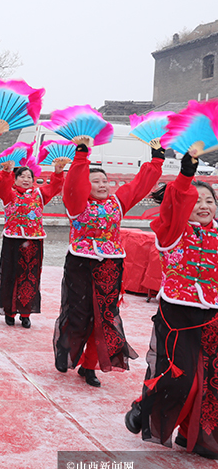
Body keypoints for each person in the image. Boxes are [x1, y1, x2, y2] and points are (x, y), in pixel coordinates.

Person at [125, 153, 218, 459]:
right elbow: (174, 205)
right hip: (178, 312)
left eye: (210, 201)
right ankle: (145, 406)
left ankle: (198, 436)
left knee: (210, 379)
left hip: (213, 314)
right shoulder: (173, 232)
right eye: (196, 200)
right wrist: (185, 176)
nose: (204, 206)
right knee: (180, 376)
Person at [53, 138, 163, 387]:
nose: (102, 185)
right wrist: (81, 156)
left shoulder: (117, 203)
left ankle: (90, 365)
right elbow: (72, 186)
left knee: (104, 317)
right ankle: (68, 352)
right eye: (95, 181)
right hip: (80, 264)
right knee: (79, 314)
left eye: (105, 181)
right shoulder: (77, 204)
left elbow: (139, 185)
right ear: (86, 185)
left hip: (110, 266)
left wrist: (156, 160)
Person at [0, 161, 66, 328]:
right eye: (22, 176)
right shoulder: (9, 193)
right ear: (15, 179)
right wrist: (6, 172)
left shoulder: (39, 194)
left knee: (30, 277)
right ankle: (10, 312)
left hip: (33, 241)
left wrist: (58, 172)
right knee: (11, 276)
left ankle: (26, 313)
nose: (26, 179)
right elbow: (0, 186)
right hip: (13, 240)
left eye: (29, 177)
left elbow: (55, 187)